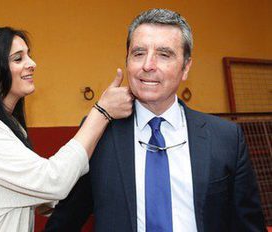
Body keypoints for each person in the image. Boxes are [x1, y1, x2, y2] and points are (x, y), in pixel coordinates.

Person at [46, 9, 265, 231]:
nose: (148, 65)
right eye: (139, 53)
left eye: (164, 54)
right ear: (127, 60)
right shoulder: (99, 132)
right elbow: (65, 220)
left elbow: (247, 225)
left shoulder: (225, 138)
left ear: (186, 67)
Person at [0, 27, 133, 231]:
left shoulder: (10, 128)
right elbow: (51, 181)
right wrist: (101, 112)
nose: (32, 64)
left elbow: (41, 194)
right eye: (18, 58)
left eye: (28, 55)